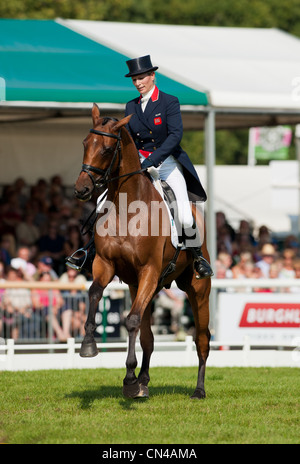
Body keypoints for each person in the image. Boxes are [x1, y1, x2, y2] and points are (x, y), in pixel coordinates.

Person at [124, 55, 213, 279]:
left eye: (141, 77)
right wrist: (135, 161)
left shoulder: (169, 102)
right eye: (134, 79)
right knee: (109, 202)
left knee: (183, 215)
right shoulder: (130, 106)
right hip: (141, 166)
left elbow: (175, 136)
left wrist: (152, 160)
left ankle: (198, 257)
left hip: (167, 164)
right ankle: (91, 251)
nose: (138, 83)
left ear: (152, 76)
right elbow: (131, 140)